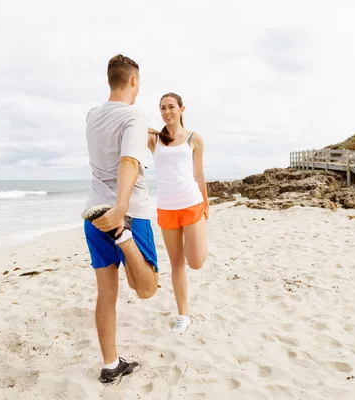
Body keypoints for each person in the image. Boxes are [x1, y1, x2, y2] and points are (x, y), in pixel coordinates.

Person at [82, 54, 159, 384]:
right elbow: (128, 161)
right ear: (132, 81)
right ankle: (125, 239)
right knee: (147, 287)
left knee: (106, 294)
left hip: (92, 213)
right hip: (127, 212)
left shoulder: (92, 116)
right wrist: (121, 210)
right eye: (138, 83)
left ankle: (111, 365)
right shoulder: (134, 117)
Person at [147, 92, 209, 333]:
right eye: (162, 107)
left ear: (182, 109)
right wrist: (149, 130)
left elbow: (199, 175)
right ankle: (183, 315)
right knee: (176, 264)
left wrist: (206, 204)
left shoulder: (194, 138)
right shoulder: (154, 140)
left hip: (192, 204)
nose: (166, 111)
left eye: (171, 107)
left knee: (195, 262)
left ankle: (201, 240)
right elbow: (133, 126)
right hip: (166, 208)